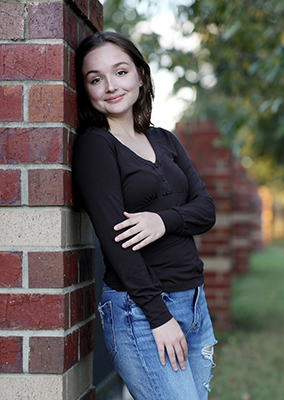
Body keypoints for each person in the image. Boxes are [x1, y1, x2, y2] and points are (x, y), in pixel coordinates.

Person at [73, 31, 217, 400]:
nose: (110, 86)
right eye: (95, 79)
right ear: (86, 89)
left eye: (120, 72)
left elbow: (205, 211)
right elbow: (117, 242)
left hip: (194, 301)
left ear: (140, 74)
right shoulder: (95, 145)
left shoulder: (165, 139)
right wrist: (158, 316)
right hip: (142, 311)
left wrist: (161, 221)